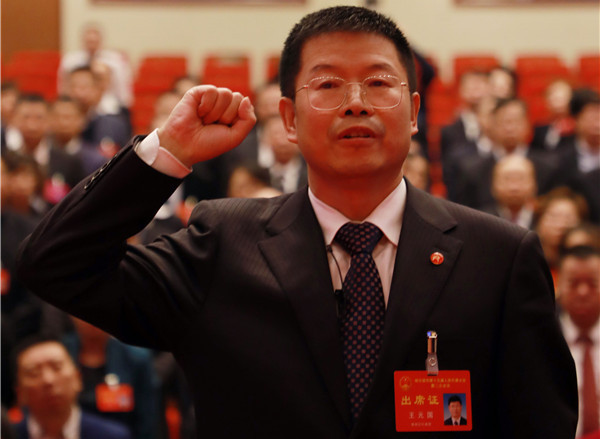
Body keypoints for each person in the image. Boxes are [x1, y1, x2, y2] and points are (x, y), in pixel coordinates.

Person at [17, 6, 577, 438]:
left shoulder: (497, 257)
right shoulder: (223, 244)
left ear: (413, 113)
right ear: (287, 119)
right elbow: (54, 264)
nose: (355, 102)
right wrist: (167, 153)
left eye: (378, 83)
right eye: (328, 85)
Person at [11, 337, 132, 439]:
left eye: (57, 367)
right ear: (20, 392)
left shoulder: (112, 436)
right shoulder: (9, 435)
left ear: (77, 378)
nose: (48, 380)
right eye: (34, 373)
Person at [557, 246, 600, 437]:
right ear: (559, 286)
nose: (583, 292)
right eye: (574, 283)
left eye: (592, 283)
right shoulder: (543, 341)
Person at [58, 23, 133, 108]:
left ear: (100, 41)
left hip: (106, 103)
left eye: (94, 42)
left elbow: (122, 89)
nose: (92, 45)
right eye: (89, 42)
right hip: (76, 103)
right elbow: (64, 86)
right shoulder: (70, 61)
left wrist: (124, 105)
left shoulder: (114, 61)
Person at [483, 155, 537, 229]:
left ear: (534, 185)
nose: (514, 188)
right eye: (506, 179)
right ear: (493, 185)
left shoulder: (543, 218)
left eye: (521, 179)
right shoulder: (481, 220)